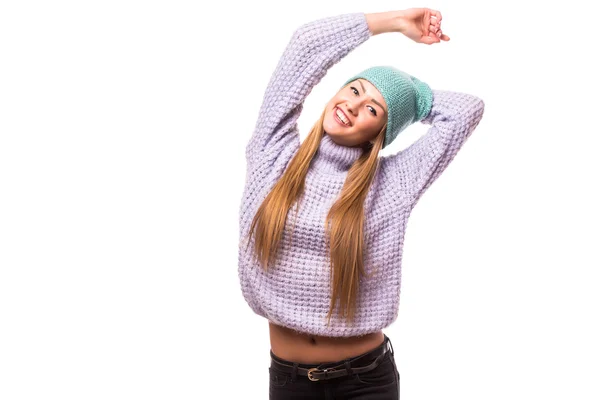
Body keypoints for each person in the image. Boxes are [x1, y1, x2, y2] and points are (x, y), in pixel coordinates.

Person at [238, 8, 485, 399]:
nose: (354, 105)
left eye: (373, 108)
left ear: (381, 132)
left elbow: (465, 110)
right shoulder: (274, 154)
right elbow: (305, 45)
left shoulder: (393, 183)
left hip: (365, 382)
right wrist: (390, 23)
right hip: (289, 382)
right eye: (354, 89)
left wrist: (409, 98)